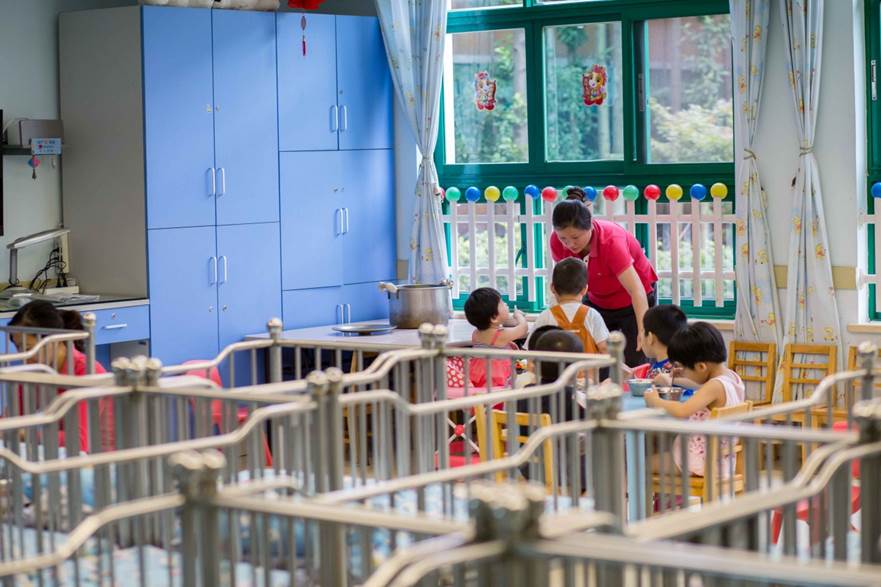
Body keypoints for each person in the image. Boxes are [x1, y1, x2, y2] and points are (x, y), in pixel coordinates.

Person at [549, 187, 658, 366]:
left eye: (575, 237)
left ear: (590, 226)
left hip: (634, 301)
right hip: (597, 301)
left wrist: (643, 331)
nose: (570, 244)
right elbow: (567, 285)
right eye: (563, 239)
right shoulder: (556, 242)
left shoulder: (611, 242)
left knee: (636, 359)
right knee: (598, 361)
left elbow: (636, 289)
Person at [9, 300, 113, 452]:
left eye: (29, 349)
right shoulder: (37, 370)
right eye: (19, 348)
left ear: (55, 340)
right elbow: (12, 417)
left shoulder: (86, 372)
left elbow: (79, 440)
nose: (24, 357)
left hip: (106, 461)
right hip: (69, 457)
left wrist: (24, 434)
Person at [643, 322, 745, 477]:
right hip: (720, 460)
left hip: (698, 461)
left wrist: (655, 401)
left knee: (640, 464)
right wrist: (673, 380)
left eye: (682, 367)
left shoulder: (714, 386)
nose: (681, 371)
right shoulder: (731, 378)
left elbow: (682, 411)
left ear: (701, 367)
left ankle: (640, 500)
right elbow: (700, 385)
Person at [532, 257, 609, 354]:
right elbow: (605, 349)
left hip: (556, 369)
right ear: (585, 289)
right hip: (588, 369)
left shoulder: (545, 316)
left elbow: (531, 350)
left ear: (552, 287)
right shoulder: (592, 315)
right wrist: (627, 369)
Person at [463, 287, 528, 389]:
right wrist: (519, 316)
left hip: (479, 374)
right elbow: (523, 328)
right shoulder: (501, 335)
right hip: (497, 377)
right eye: (502, 303)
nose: (506, 304)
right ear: (493, 318)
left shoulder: (476, 333)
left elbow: (500, 324)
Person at [631, 304, 688, 382]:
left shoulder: (660, 371)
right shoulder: (684, 365)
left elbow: (647, 390)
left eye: (642, 331)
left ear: (650, 338)